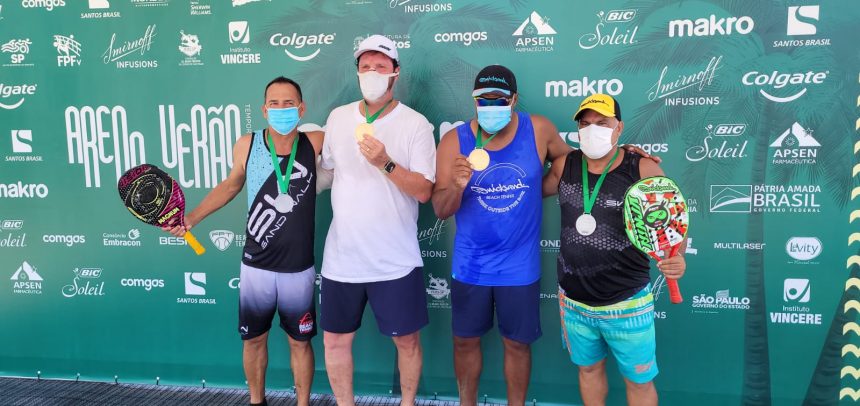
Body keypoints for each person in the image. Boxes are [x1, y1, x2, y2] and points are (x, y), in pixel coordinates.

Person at [164, 76, 323, 406]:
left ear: (301, 109)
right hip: (257, 266)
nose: (281, 109)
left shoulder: (316, 142)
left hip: (299, 268)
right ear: (264, 110)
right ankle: (256, 401)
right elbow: (230, 186)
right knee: (253, 341)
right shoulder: (247, 144)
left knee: (300, 343)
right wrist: (191, 218)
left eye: (289, 103)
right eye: (274, 103)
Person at [430, 65, 571, 406]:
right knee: (464, 341)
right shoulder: (454, 140)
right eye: (484, 100)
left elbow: (569, 162)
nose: (491, 106)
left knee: (517, 344)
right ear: (474, 100)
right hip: (471, 265)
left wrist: (539, 189)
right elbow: (440, 208)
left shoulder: (538, 129)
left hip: (519, 265)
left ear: (514, 99)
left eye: (499, 99)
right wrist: (457, 186)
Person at [542, 94, 686, 406]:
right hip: (574, 300)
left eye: (602, 123)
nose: (592, 129)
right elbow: (530, 190)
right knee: (588, 370)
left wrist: (677, 257)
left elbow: (673, 225)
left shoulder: (643, 168)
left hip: (627, 301)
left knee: (639, 382)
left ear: (619, 128)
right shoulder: (565, 165)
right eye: (585, 123)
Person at [318, 34, 436, 406]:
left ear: (395, 72)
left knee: (407, 341)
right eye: (365, 66)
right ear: (357, 72)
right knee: (335, 341)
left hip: (395, 260)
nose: (372, 72)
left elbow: (424, 190)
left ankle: (408, 402)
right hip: (342, 259)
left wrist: (385, 163)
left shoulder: (416, 125)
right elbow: (327, 172)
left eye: (380, 66)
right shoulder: (338, 118)